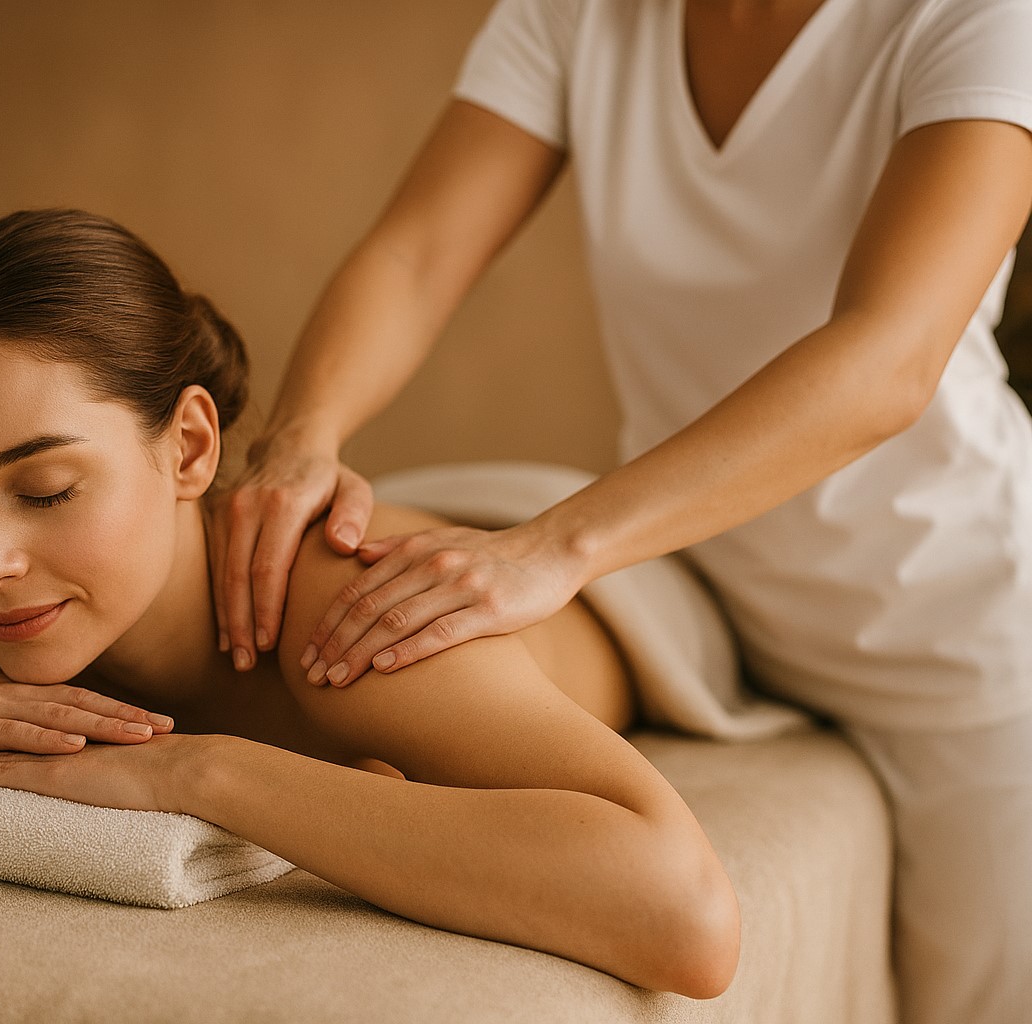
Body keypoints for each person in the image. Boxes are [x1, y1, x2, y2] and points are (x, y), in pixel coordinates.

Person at [0, 209, 739, 998]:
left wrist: (201, 777)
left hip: (634, 587)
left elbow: (683, 915)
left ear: (190, 447)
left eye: (44, 487)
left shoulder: (350, 615)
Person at [211, 3, 1032, 1022]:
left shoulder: (977, 19)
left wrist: (556, 546)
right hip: (700, 579)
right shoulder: (576, 14)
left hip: (955, 626)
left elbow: (889, 359)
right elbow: (415, 257)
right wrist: (304, 434)